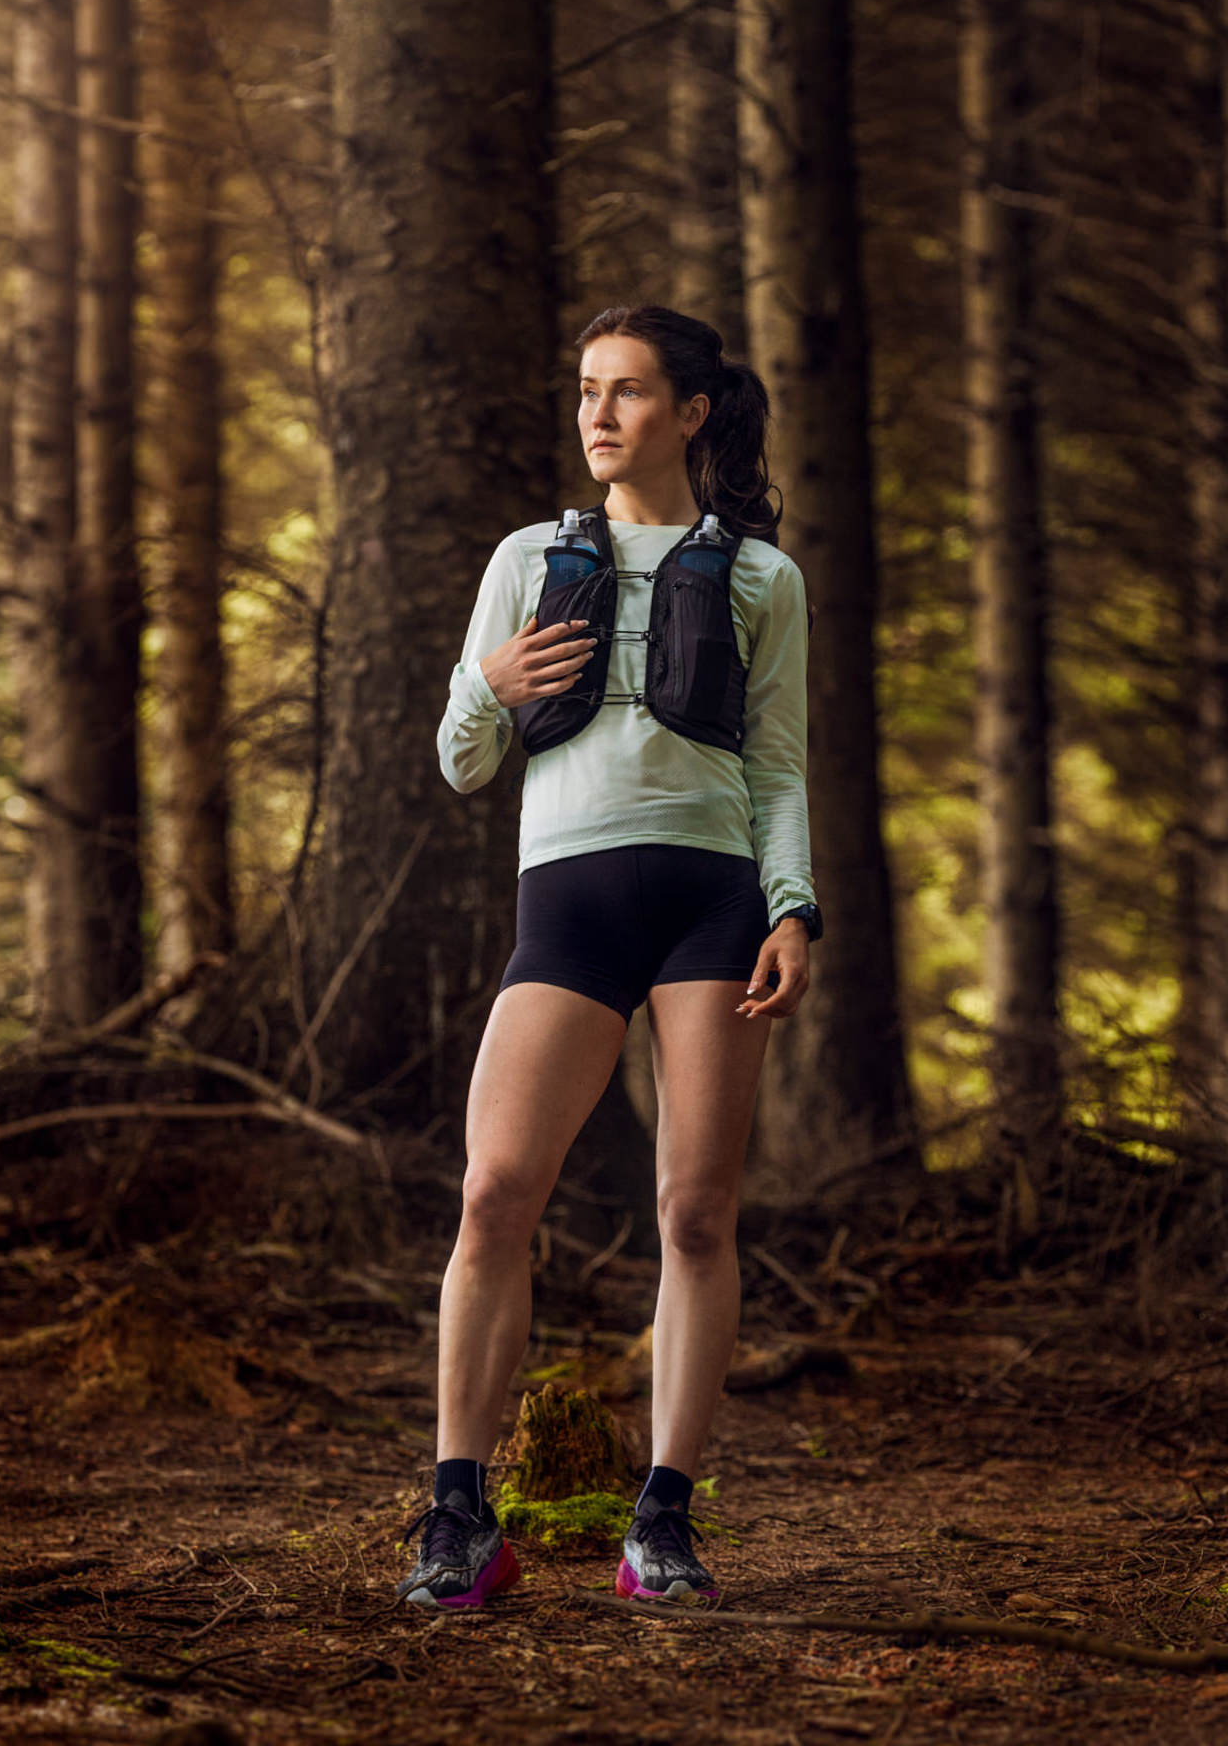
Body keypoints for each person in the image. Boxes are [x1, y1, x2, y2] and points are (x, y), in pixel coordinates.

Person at [398, 302, 820, 1611]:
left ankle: (664, 1522)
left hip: (713, 908)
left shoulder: (761, 578)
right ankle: (459, 1516)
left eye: (626, 390)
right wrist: (491, 683)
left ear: (689, 413)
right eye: (587, 389)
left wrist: (793, 907)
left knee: (693, 1212)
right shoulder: (528, 558)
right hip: (568, 907)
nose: (598, 413)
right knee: (493, 1195)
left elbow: (777, 766)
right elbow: (461, 765)